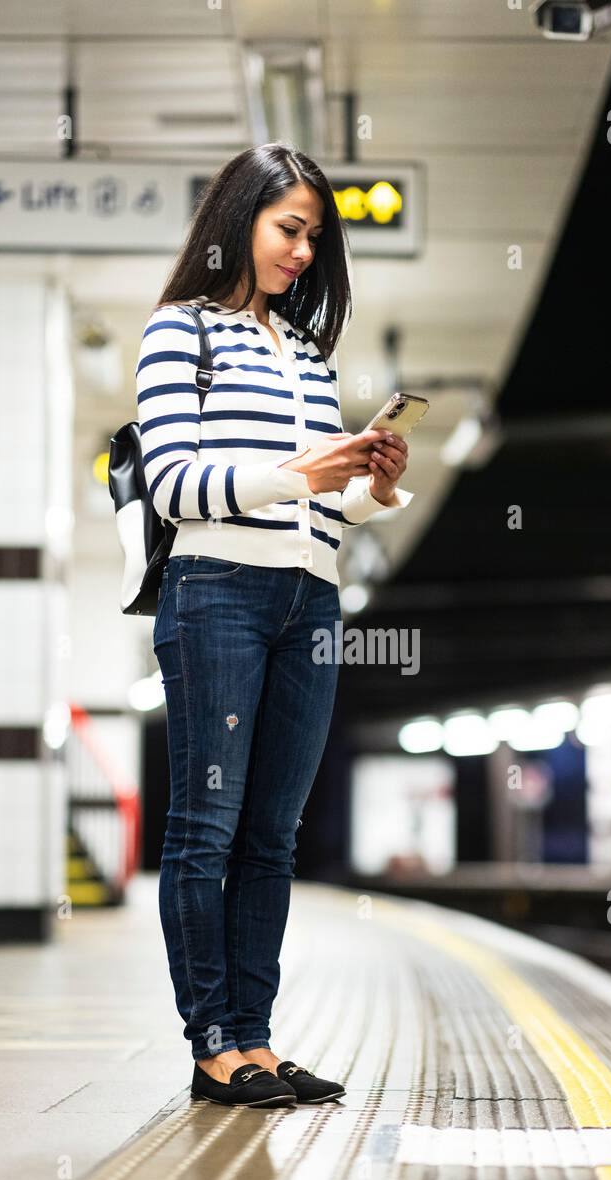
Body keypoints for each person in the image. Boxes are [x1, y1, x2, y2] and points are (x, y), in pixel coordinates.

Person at [137, 142, 414, 1109]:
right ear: (237, 219)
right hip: (216, 590)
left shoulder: (306, 356)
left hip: (310, 599)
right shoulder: (180, 333)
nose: (303, 252)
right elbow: (173, 486)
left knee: (270, 836)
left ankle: (254, 1040)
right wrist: (303, 471)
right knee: (205, 830)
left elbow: (318, 510)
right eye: (288, 229)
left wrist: (372, 485)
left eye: (313, 238)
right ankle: (213, 1044)